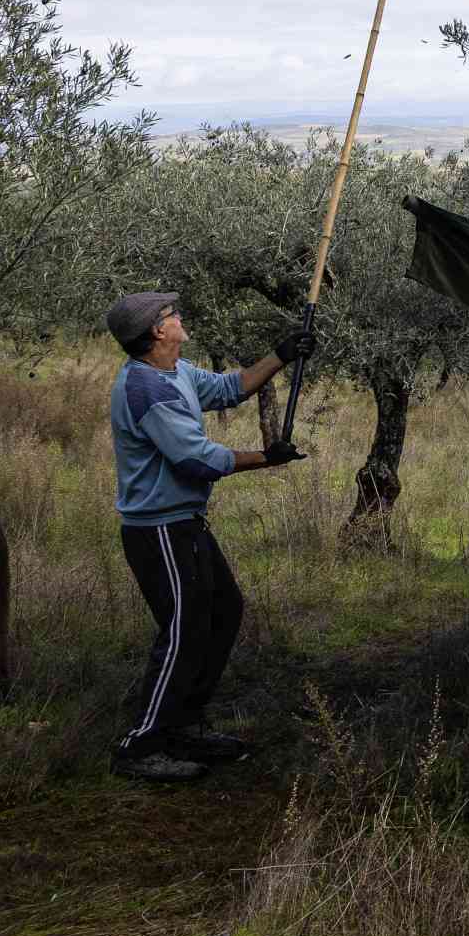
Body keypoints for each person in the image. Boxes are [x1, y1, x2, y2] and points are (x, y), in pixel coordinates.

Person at [103, 290, 312, 784]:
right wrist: (267, 457)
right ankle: (141, 746)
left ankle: (185, 726)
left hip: (183, 524)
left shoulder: (175, 371)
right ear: (157, 331)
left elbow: (228, 387)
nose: (179, 318)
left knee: (221, 614)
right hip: (158, 530)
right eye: (172, 315)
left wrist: (282, 354)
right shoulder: (145, 390)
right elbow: (195, 459)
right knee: (183, 629)